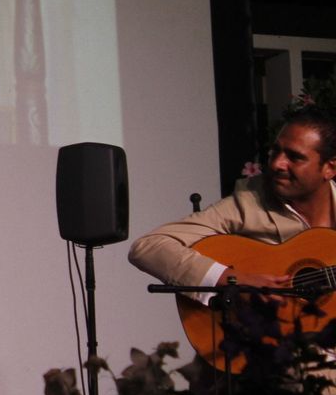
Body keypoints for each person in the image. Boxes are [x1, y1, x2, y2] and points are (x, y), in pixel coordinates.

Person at [128, 106, 336, 293]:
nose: (277, 164)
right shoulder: (249, 202)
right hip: (262, 331)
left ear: (330, 168)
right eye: (275, 152)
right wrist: (232, 279)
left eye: (295, 157)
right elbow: (148, 246)